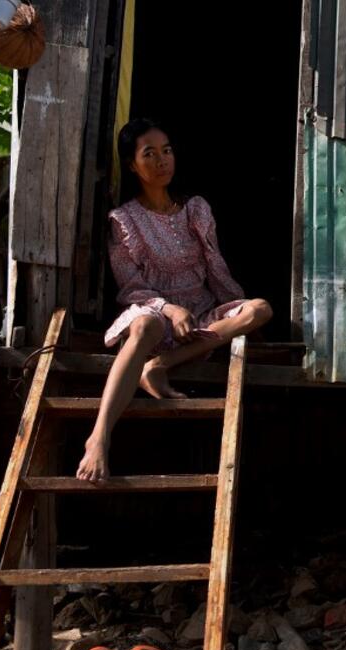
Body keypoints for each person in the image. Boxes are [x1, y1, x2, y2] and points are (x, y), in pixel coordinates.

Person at [76, 118, 272, 482]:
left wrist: (237, 315)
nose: (162, 160)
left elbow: (215, 268)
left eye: (166, 151)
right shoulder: (124, 221)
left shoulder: (195, 209)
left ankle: (159, 366)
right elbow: (131, 287)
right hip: (157, 314)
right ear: (133, 164)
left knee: (260, 308)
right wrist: (168, 307)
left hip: (202, 319)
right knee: (144, 324)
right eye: (149, 154)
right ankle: (99, 438)